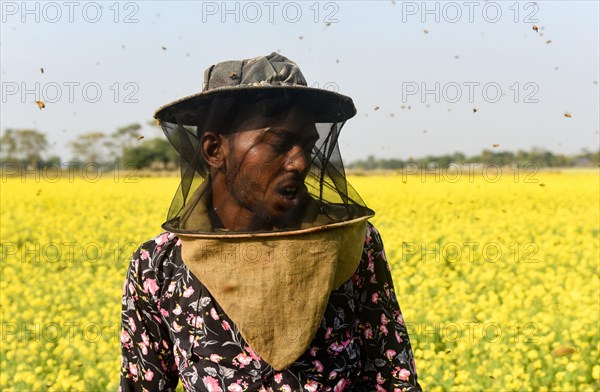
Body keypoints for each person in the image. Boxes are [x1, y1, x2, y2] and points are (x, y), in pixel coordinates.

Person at [120, 52, 421, 391]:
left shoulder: (351, 243)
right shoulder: (158, 264)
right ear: (214, 150)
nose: (300, 163)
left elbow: (392, 374)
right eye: (278, 143)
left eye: (307, 146)